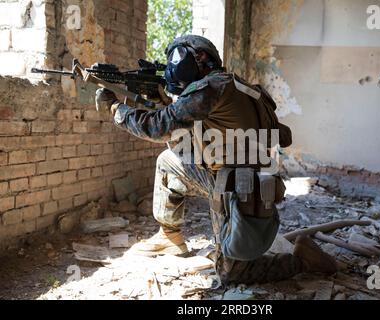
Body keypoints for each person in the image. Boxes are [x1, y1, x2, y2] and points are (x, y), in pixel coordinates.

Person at [95, 35, 337, 285]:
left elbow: (160, 127)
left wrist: (117, 109)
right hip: (236, 177)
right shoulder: (244, 89)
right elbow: (282, 135)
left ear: (198, 58)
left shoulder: (211, 87)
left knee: (232, 274)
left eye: (176, 58)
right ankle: (169, 237)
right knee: (169, 162)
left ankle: (303, 260)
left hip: (238, 189)